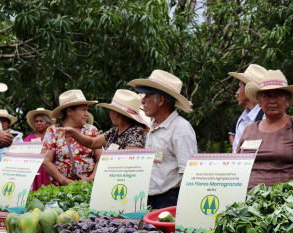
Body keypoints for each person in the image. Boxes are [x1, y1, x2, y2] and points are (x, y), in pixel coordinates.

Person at [238, 70, 293, 196]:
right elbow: (237, 166)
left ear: (287, 100)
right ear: (259, 100)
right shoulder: (249, 129)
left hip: (286, 207)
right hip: (248, 207)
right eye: (266, 95)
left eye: (278, 95)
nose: (272, 100)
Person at [129, 70, 197, 209]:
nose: (142, 100)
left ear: (160, 100)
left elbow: (189, 174)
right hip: (149, 198)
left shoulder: (181, 129)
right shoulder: (152, 126)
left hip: (169, 200)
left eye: (147, 96)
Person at [58, 89, 148, 151]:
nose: (109, 114)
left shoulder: (136, 132)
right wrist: (74, 133)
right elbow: (92, 142)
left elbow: (130, 161)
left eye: (110, 111)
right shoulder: (115, 131)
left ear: (117, 114)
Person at [42, 90, 100, 186]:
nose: (87, 114)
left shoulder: (92, 130)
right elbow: (46, 161)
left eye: (87, 110)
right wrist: (64, 181)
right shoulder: (53, 130)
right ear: (69, 111)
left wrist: (91, 178)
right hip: (61, 189)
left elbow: (100, 158)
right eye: (83, 110)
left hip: (89, 187)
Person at [228, 64, 267, 152]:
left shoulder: (265, 117)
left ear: (248, 90)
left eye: (239, 87)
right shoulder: (241, 119)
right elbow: (235, 151)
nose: (237, 93)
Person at [24, 108, 53, 190]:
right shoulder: (28, 138)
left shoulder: (52, 137)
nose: (38, 123)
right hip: (33, 171)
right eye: (36, 122)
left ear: (48, 124)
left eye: (41, 121)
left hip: (49, 170)